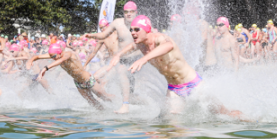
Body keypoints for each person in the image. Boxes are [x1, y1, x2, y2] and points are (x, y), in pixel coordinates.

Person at [99, 15, 243, 117]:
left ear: (146, 29)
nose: (133, 32)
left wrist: (144, 60)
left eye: (137, 29)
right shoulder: (140, 45)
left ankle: (249, 119)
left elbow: (168, 45)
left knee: (224, 113)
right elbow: (130, 46)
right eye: (131, 30)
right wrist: (117, 55)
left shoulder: (161, 38)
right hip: (174, 89)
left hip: (193, 84)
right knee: (169, 120)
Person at [85, 1, 142, 113]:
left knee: (123, 80)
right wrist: (90, 35)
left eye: (131, 11)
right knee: (102, 79)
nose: (129, 14)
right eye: (126, 12)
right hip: (120, 60)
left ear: (136, 12)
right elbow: (102, 36)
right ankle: (113, 101)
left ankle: (126, 104)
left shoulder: (139, 23)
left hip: (136, 59)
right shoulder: (117, 24)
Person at [28, 43, 113, 109]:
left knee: (105, 97)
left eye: (53, 56)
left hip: (87, 79)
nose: (53, 58)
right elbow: (38, 56)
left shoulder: (67, 54)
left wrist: (45, 69)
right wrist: (31, 61)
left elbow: (61, 60)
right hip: (78, 83)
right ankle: (105, 112)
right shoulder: (55, 55)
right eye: (51, 57)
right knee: (92, 102)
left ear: (59, 52)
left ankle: (121, 103)